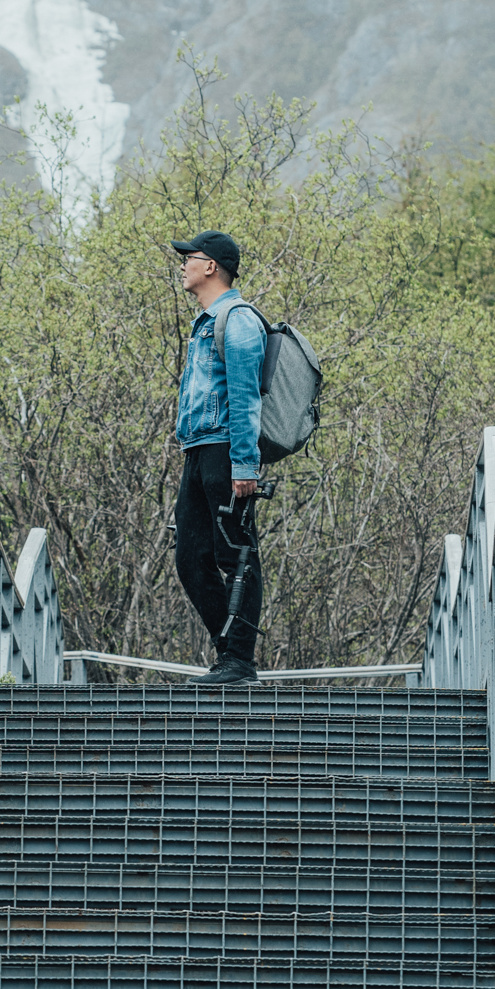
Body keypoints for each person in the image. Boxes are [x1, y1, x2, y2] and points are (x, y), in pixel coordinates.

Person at [171, 231, 266, 686]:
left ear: (211, 266)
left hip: (227, 451)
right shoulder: (207, 321)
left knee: (238, 553)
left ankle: (239, 661)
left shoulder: (238, 319)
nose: (183, 265)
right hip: (199, 449)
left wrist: (245, 466)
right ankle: (228, 653)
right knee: (190, 558)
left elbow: (247, 396)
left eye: (189, 258)